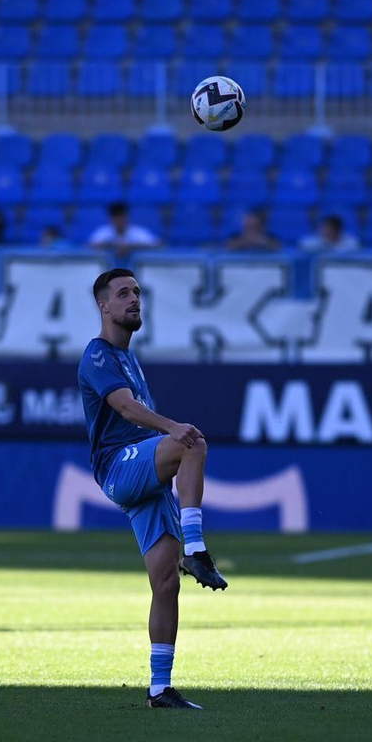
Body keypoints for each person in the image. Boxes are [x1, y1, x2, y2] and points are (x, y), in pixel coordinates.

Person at [77, 268, 228, 710]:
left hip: (142, 470)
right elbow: (124, 408)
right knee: (192, 443)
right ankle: (196, 549)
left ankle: (159, 688)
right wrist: (172, 428)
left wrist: (168, 435)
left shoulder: (130, 359)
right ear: (103, 306)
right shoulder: (98, 354)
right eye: (123, 294)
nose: (134, 300)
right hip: (118, 467)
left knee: (165, 583)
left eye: (138, 293)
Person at [88, 201, 161, 255]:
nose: (119, 221)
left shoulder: (138, 232)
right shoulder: (103, 232)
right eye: (116, 217)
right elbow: (90, 246)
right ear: (110, 219)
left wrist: (131, 247)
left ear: (127, 217)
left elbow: (158, 245)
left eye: (121, 217)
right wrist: (112, 245)